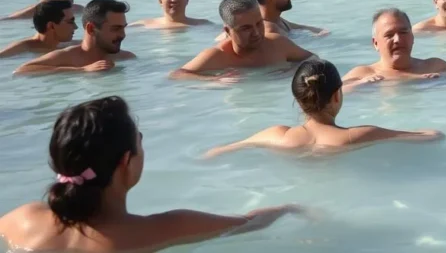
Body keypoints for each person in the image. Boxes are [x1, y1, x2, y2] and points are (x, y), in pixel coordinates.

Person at [0, 96, 301, 251]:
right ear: (126, 161)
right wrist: (291, 207)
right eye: (140, 139)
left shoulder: (21, 220)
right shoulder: (165, 229)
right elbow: (250, 222)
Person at [204, 59, 445, 158]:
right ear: (338, 95)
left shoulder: (278, 135)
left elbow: (217, 152)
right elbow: (432, 137)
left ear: (298, 99)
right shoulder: (355, 135)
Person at [171, 0, 316, 81]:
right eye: (246, 28)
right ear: (228, 31)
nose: (256, 32)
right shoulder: (218, 56)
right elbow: (177, 75)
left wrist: (290, 72)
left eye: (259, 23)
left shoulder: (277, 44)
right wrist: (215, 80)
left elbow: (314, 59)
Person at [14, 0, 135, 75]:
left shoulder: (126, 58)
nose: (123, 35)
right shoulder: (66, 57)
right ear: (91, 29)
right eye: (116, 29)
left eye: (123, 27)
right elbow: (22, 70)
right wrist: (81, 70)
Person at [342, 8, 446, 87]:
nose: (398, 40)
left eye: (403, 32)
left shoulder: (435, 67)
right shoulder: (363, 75)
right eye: (389, 35)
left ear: (412, 37)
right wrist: (359, 84)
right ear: (376, 43)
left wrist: (443, 78)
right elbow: (330, 98)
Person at [0, 0, 77, 58]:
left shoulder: (70, 45)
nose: (76, 27)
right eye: (70, 22)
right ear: (51, 26)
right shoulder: (22, 49)